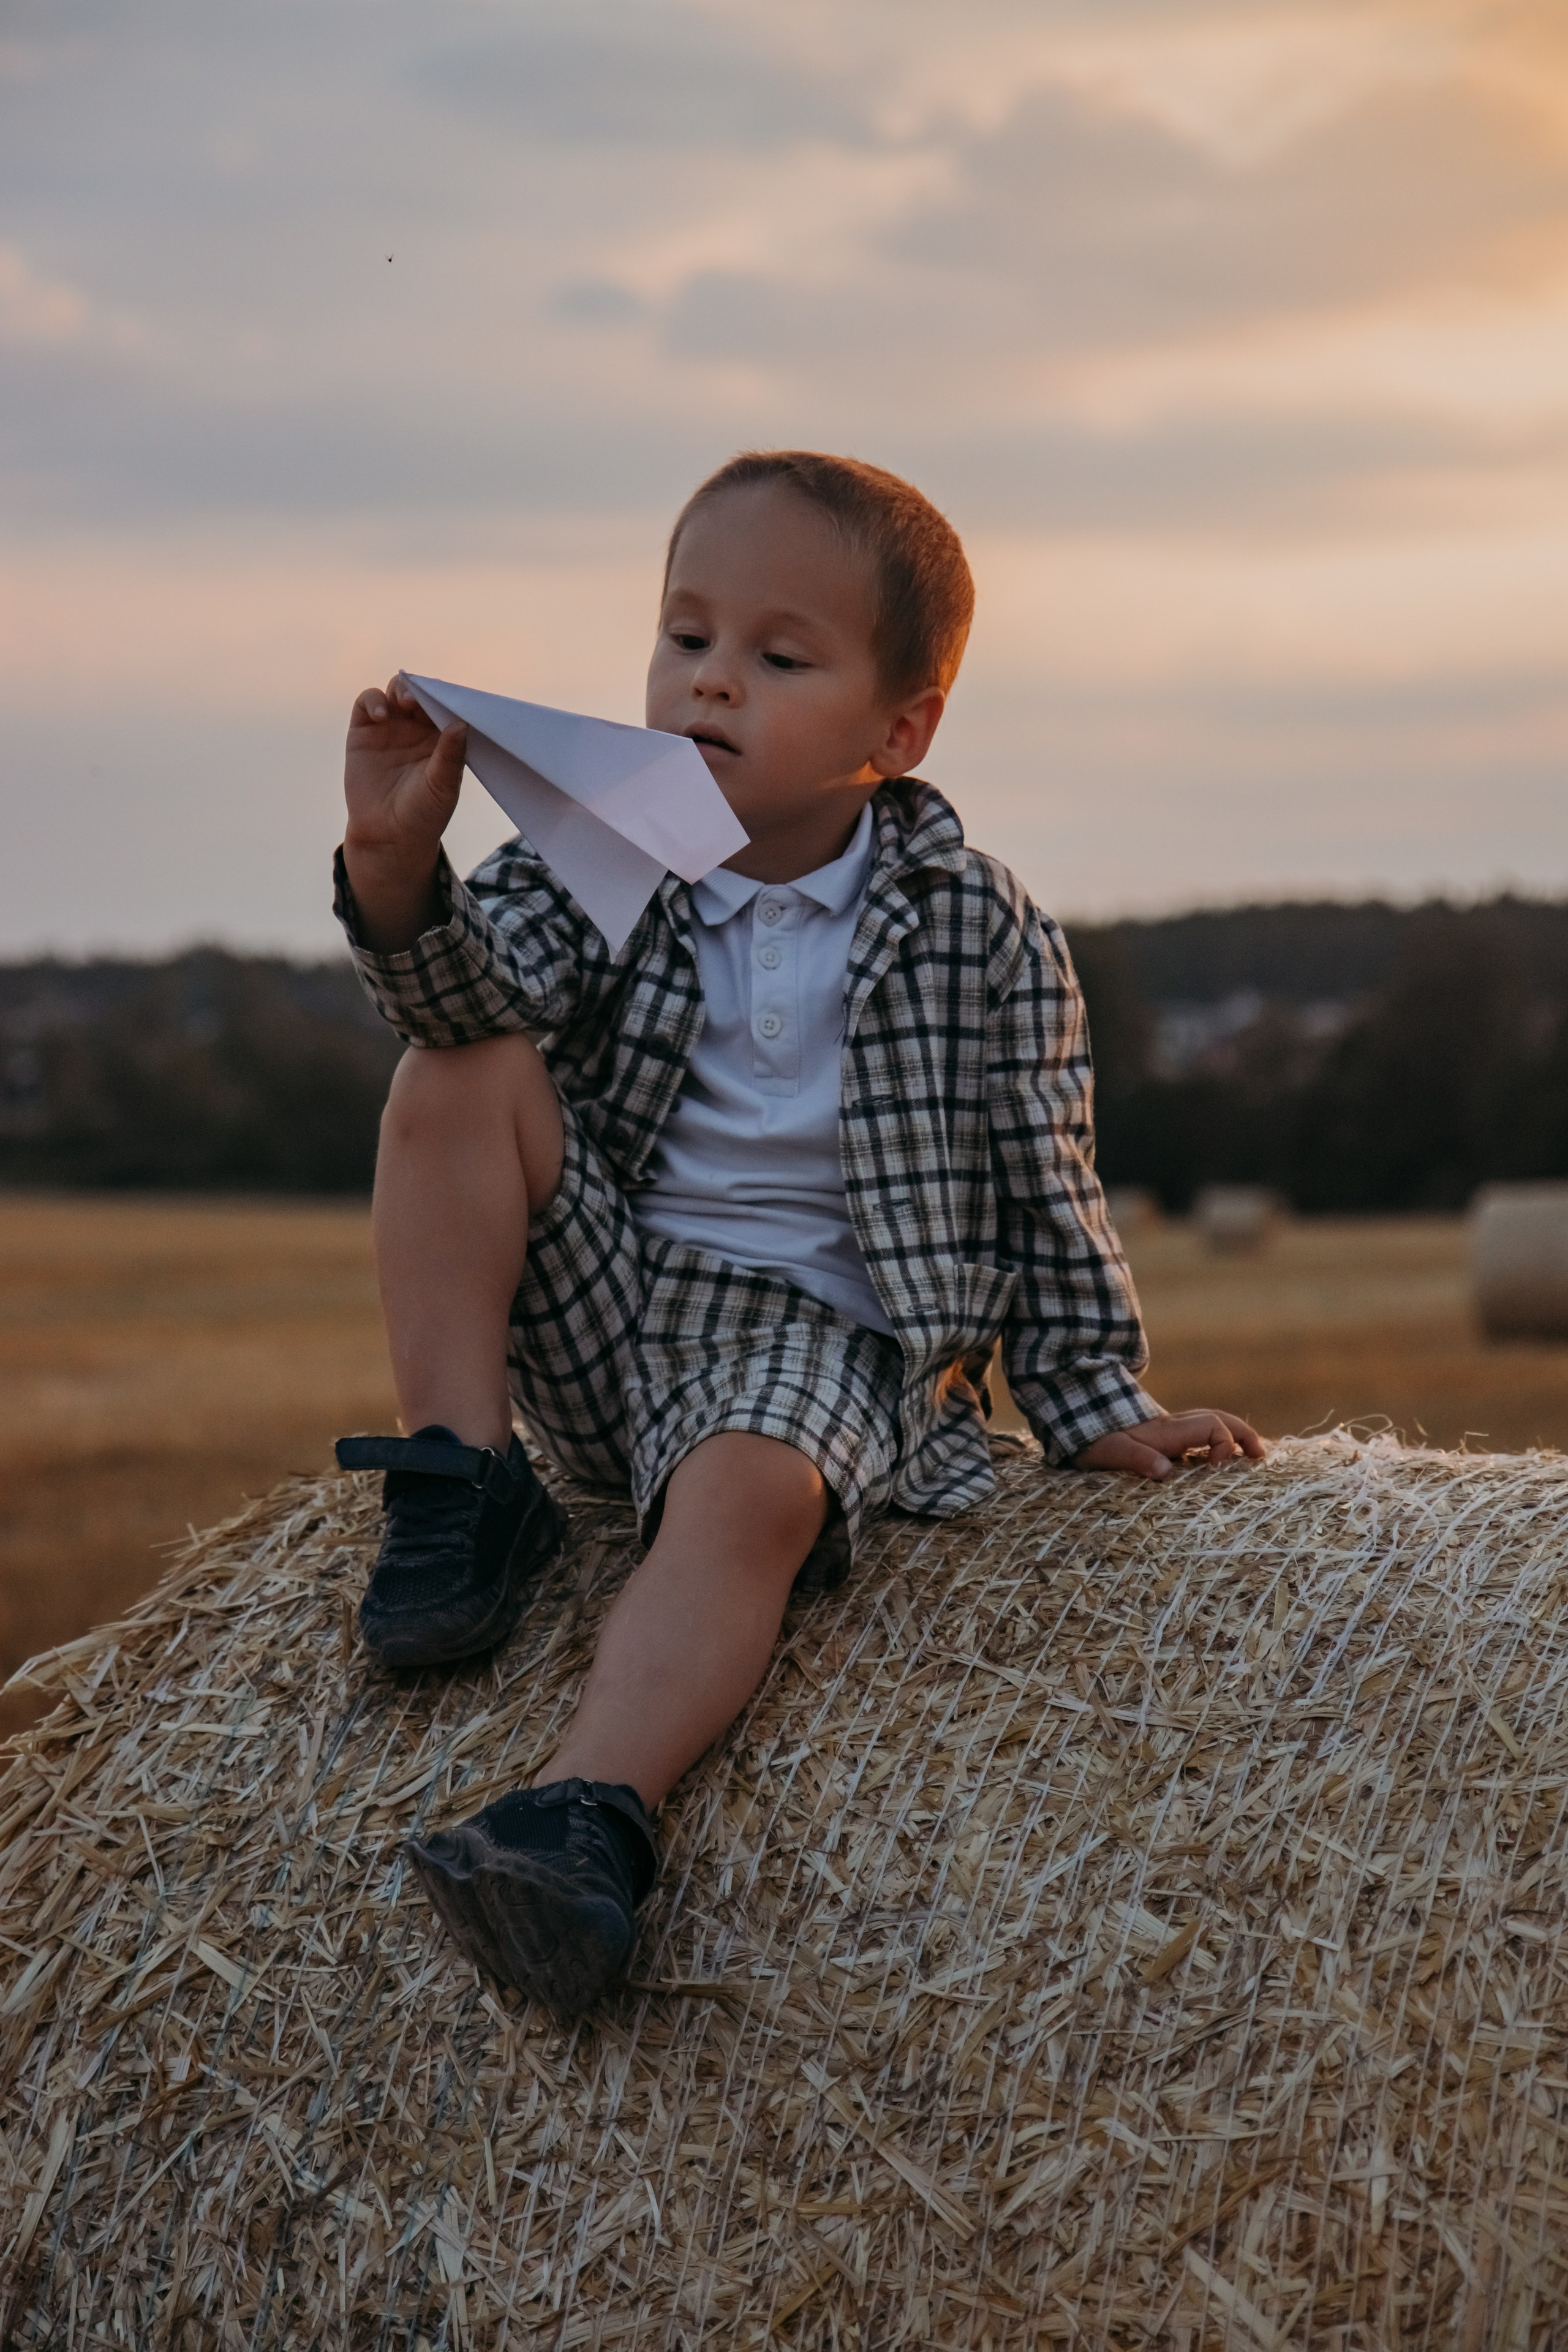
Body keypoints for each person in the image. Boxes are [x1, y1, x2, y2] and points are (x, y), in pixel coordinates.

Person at [333, 450, 1262, 2016]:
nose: (710, 686)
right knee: (453, 1069)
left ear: (894, 733)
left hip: (821, 1332)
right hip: (620, 1298)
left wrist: (1097, 1404)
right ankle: (463, 1478)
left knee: (752, 1486)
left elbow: (1046, 1170)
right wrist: (392, 864)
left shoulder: (977, 925)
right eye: (684, 638)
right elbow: (461, 994)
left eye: (775, 657)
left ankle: (585, 1814)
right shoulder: (599, 855)